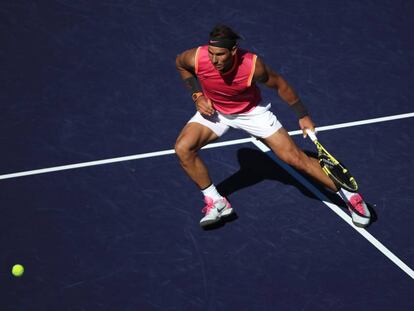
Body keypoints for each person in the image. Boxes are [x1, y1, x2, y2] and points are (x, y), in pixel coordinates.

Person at [175, 24, 371, 228]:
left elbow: (280, 85)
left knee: (295, 159)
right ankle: (216, 201)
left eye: (221, 54)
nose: (214, 60)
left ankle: (351, 195)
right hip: (215, 111)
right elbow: (181, 65)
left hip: (251, 113)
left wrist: (302, 115)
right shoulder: (196, 57)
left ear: (233, 51)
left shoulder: (252, 66)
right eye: (212, 53)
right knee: (183, 149)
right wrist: (197, 95)